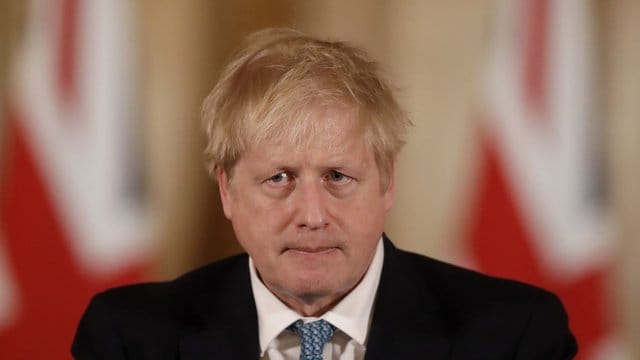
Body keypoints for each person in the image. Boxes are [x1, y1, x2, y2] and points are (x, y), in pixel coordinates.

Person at [72, 28, 577, 359]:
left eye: (338, 177)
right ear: (227, 191)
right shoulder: (128, 340)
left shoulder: (515, 338)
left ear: (387, 183)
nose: (312, 215)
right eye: (279, 179)